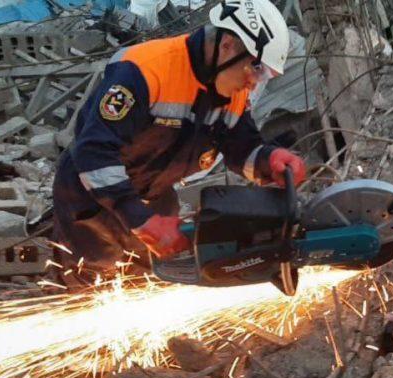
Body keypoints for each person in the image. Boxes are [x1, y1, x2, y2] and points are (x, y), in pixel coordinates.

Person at [51, 0, 306, 280]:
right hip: (92, 196)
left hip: (154, 194)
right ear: (227, 46)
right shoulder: (144, 70)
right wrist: (140, 219)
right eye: (256, 68)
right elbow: (94, 153)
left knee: (146, 280)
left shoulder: (232, 90)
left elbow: (240, 147)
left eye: (265, 75)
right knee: (94, 276)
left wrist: (267, 159)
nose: (254, 83)